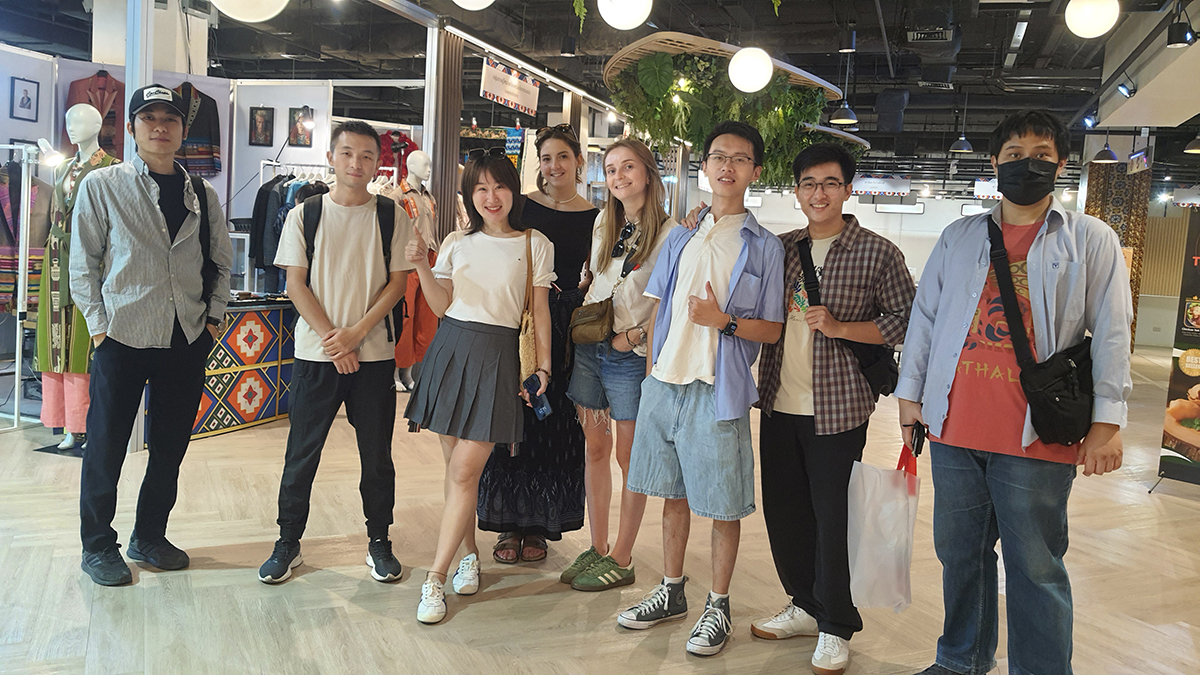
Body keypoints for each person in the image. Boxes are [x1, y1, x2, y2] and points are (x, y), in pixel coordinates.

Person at [899, 110, 1132, 675]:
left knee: (1036, 566)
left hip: (1038, 432)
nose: (1027, 164)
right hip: (955, 427)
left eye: (1041, 154)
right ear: (994, 163)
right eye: (1013, 154)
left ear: (1061, 163)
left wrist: (1107, 423)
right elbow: (925, 319)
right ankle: (961, 660)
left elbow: (1112, 330)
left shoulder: (1090, 239)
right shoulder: (959, 237)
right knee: (960, 555)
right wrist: (911, 396)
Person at [617, 121, 784, 657]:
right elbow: (659, 307)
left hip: (719, 388)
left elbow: (772, 329)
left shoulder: (765, 247)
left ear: (755, 171)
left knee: (724, 504)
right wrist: (650, 375)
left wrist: (723, 321)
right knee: (673, 494)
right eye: (718, 156)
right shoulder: (682, 235)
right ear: (705, 166)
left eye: (740, 158)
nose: (727, 166)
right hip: (665, 383)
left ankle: (719, 603)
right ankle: (671, 591)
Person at [750, 143, 915, 675]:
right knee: (786, 513)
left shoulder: (877, 252)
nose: (818, 193)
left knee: (833, 518)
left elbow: (907, 321)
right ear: (796, 191)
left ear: (847, 189)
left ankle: (836, 624)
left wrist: (843, 327)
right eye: (808, 184)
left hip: (839, 408)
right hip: (777, 403)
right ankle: (804, 604)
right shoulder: (781, 248)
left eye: (829, 183)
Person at [70, 84, 233, 586]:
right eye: (149, 118)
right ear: (132, 128)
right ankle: (98, 545)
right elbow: (82, 264)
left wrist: (211, 321)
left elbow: (221, 263)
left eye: (170, 119)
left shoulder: (202, 193)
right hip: (122, 336)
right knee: (106, 445)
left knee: (169, 447)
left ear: (183, 130)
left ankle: (149, 535)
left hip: (185, 338)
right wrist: (99, 328)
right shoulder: (103, 186)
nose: (160, 127)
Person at [257, 120, 412, 584]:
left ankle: (379, 540)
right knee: (302, 452)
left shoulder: (391, 215)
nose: (356, 163)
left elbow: (397, 284)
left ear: (377, 163)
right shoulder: (305, 214)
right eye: (347, 153)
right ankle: (288, 541)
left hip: (374, 354)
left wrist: (355, 335)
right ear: (331, 157)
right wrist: (333, 339)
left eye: (366, 155)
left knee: (377, 456)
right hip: (316, 354)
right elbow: (295, 284)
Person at [405, 153, 555, 624]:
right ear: (470, 196)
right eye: (480, 189)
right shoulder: (456, 242)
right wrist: (422, 267)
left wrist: (544, 369)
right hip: (451, 352)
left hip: (498, 358)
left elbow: (540, 310)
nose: (491, 197)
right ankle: (469, 555)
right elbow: (441, 305)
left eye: (500, 187)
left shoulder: (534, 243)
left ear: (513, 191)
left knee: (464, 472)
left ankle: (435, 577)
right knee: (457, 473)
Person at [559, 138, 675, 592]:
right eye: (610, 169)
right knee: (594, 448)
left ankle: (622, 558)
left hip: (629, 354)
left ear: (647, 173)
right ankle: (599, 544)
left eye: (628, 166)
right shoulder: (604, 223)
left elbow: (667, 303)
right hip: (590, 345)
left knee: (630, 458)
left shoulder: (670, 234)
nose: (619, 176)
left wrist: (638, 335)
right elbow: (596, 279)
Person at [476, 125, 596, 565]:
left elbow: (600, 268)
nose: (554, 166)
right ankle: (508, 521)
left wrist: (585, 289)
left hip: (566, 327)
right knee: (513, 415)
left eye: (563, 156)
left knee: (555, 420)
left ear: (578, 161)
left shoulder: (596, 216)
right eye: (546, 158)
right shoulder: (521, 205)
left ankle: (541, 525)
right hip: (518, 319)